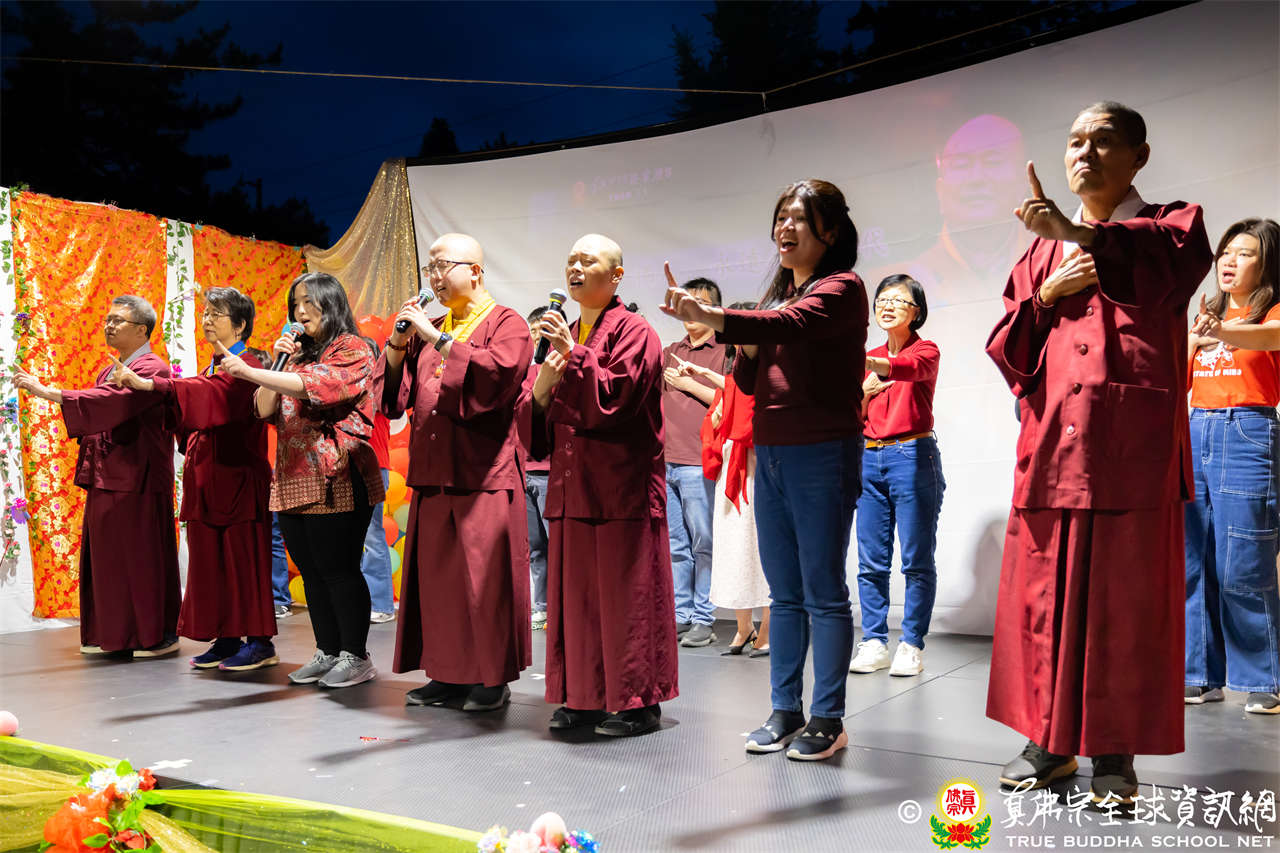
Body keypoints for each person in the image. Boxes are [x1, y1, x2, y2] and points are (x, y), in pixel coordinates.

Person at [985, 101, 1213, 803]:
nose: (1085, 152)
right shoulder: (1037, 255)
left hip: (1130, 452)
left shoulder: (1171, 224)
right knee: (1044, 599)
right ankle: (1049, 743)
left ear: (1138, 156)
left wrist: (1077, 233)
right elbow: (1009, 350)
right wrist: (1045, 297)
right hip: (1052, 446)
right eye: (1075, 141)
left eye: (1104, 140)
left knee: (1123, 605)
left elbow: (1170, 264)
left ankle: (1114, 754)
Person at [662, 178, 868, 762]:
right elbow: (749, 384)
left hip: (822, 451)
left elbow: (791, 326)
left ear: (831, 230)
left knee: (823, 590)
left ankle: (828, 718)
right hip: (770, 453)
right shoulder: (778, 304)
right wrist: (744, 344)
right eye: (780, 217)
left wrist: (715, 316)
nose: (785, 227)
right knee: (785, 592)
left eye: (798, 217)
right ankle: (784, 710)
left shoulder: (841, 288)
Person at [525, 232, 678, 737]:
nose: (575, 267)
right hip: (572, 490)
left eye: (587, 261)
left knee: (626, 600)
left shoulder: (636, 331)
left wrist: (574, 357)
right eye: (571, 259)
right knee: (579, 603)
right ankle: (584, 698)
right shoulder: (566, 333)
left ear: (616, 276)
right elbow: (539, 423)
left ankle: (637, 703)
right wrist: (540, 392)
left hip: (621, 490)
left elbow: (618, 400)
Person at [375, 233, 532, 713]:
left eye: (443, 266)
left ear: (475, 271)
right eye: (431, 268)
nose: (435, 277)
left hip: (483, 474)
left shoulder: (507, 323)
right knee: (439, 583)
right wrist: (398, 345)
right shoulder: (432, 327)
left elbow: (498, 378)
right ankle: (446, 673)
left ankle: (491, 678)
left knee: (484, 583)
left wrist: (437, 338)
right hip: (434, 473)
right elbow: (395, 400)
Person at [218, 272, 385, 689]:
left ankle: (355, 655)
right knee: (311, 571)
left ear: (332, 302)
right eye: (295, 303)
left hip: (337, 473)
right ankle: (327, 650)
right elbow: (263, 408)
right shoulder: (294, 354)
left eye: (310, 301)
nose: (301, 311)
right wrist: (274, 363)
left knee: (338, 568)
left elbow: (315, 387)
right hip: (293, 475)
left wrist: (253, 372)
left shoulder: (354, 348)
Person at [107, 287, 279, 671]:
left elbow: (211, 395)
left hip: (238, 482)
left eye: (217, 314)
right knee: (212, 565)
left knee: (243, 563)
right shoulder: (210, 369)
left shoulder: (250, 365)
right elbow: (191, 408)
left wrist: (151, 385)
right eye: (205, 313)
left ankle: (260, 642)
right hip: (206, 483)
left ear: (240, 325)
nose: (207, 320)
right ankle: (227, 638)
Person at [14, 295, 180, 658]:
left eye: (118, 321)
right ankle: (111, 634)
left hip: (138, 478)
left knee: (138, 559)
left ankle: (153, 635)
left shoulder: (153, 369)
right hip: (109, 475)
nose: (109, 326)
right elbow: (101, 400)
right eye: (108, 319)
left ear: (142, 330)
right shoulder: (110, 369)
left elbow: (109, 402)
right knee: (106, 560)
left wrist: (47, 392)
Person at [1184, 218, 1280, 715]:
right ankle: (1200, 675)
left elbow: (1272, 338)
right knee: (1193, 560)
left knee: (1244, 560)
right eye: (1226, 251)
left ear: (1266, 263)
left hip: (1246, 430)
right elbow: (1178, 373)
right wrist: (1193, 340)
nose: (1229, 261)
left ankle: (1264, 677)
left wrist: (1221, 331)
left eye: (1244, 253)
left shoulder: (1271, 312)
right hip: (1195, 428)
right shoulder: (1206, 314)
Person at [850, 275, 944, 678]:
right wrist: (865, 392)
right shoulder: (867, 357)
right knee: (870, 560)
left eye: (897, 300)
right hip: (868, 457)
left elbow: (909, 368)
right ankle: (874, 641)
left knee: (916, 558)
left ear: (916, 311)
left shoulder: (925, 349)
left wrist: (872, 366)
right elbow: (850, 413)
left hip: (913, 455)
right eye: (881, 299)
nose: (886, 306)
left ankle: (911, 644)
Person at [697, 310, 771, 658]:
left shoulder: (770, 376)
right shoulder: (731, 380)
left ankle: (767, 629)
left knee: (762, 545)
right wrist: (717, 419)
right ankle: (744, 627)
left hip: (760, 463)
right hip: (733, 464)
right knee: (733, 546)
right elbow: (717, 421)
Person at [661, 277, 727, 648]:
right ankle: (680, 615)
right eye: (684, 303)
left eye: (698, 303)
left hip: (700, 461)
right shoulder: (671, 351)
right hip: (666, 462)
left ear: (714, 309)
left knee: (704, 543)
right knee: (675, 545)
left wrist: (689, 385)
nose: (689, 311)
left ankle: (704, 617)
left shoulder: (726, 351)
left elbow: (732, 400)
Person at [522, 305, 551, 631]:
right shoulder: (523, 371)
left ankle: (562, 606)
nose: (537, 337)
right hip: (524, 471)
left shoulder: (559, 368)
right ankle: (541, 606)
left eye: (542, 331)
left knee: (557, 544)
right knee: (535, 547)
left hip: (550, 471)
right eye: (533, 331)